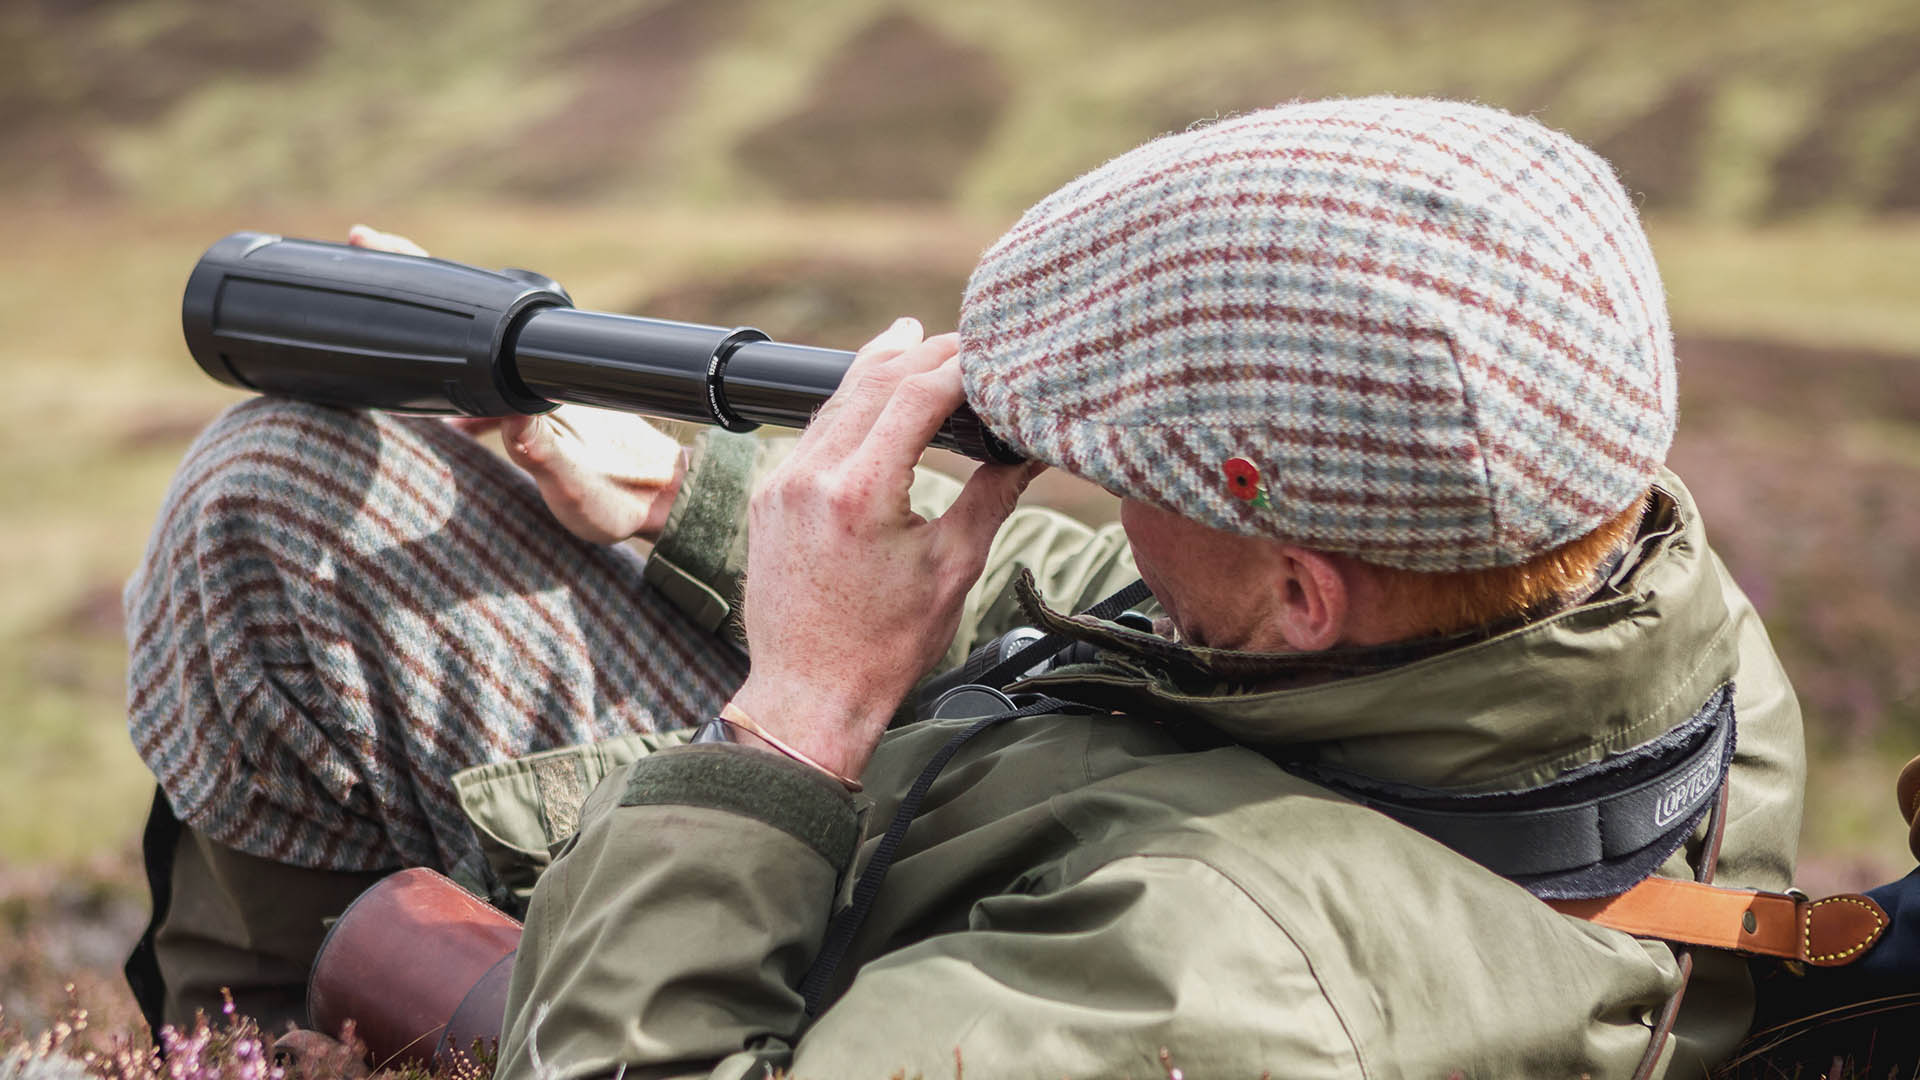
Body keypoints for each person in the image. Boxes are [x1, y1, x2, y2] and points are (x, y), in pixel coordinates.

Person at [124, 97, 1804, 1078]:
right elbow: (1161, 640)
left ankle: (248, 1039)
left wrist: (799, 710)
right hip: (976, 846)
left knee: (271, 527)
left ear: (1302, 592)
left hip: (755, 959)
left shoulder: (1222, 996)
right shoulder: (1610, 591)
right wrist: (682, 485)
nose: (1094, 487)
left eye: (1128, 466)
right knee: (313, 478)